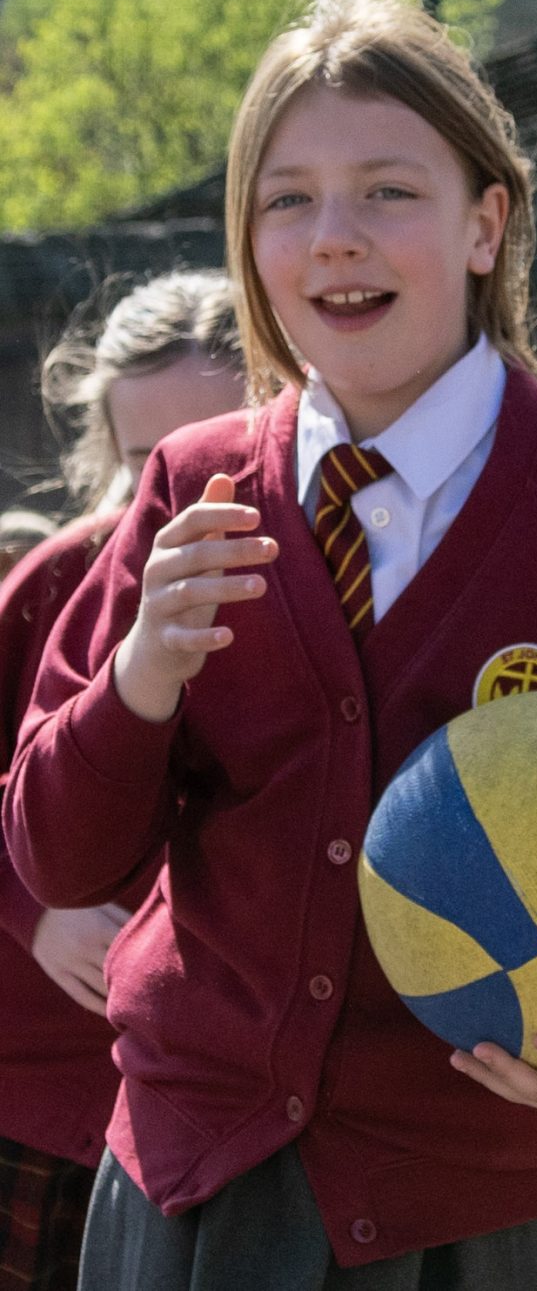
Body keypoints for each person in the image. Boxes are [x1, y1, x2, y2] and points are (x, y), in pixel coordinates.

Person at [3, 0, 537, 1289]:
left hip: (472, 1203)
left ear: (486, 223)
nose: (334, 238)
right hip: (188, 1177)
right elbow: (58, 848)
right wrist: (140, 674)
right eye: (288, 199)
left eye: (387, 191)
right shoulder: (189, 484)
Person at [0, 272, 245, 1291]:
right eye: (151, 462)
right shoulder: (58, 578)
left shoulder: (335, 590)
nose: (182, 490)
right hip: (37, 1095)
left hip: (215, 1110)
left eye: (215, 451)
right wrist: (31, 908)